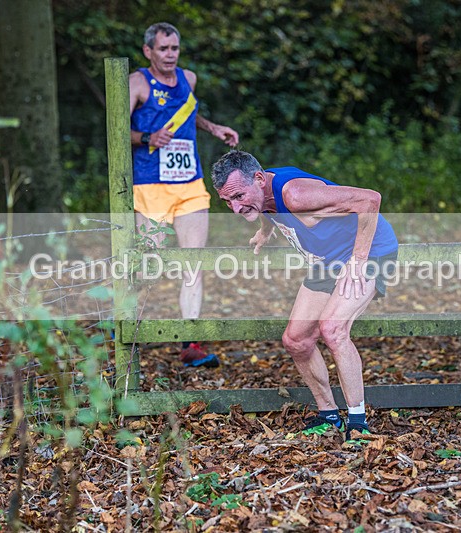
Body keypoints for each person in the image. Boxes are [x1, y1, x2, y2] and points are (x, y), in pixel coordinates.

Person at [210, 150, 398, 441]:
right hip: (327, 259)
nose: (235, 208)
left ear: (259, 179)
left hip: (370, 251)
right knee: (296, 340)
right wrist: (264, 229)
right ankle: (329, 415)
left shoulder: (296, 194)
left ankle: (358, 423)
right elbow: (265, 206)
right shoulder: (262, 190)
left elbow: (370, 199)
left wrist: (358, 261)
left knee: (333, 329)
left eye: (238, 197)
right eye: (227, 202)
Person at [130, 22, 239, 367]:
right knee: (149, 263)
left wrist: (214, 128)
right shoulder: (137, 82)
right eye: (163, 49)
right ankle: (127, 328)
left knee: (194, 264)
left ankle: (190, 343)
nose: (170, 55)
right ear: (148, 51)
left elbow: (190, 115)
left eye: (174, 48)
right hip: (150, 186)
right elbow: (117, 128)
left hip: (189, 185)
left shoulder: (188, 79)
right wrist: (147, 138)